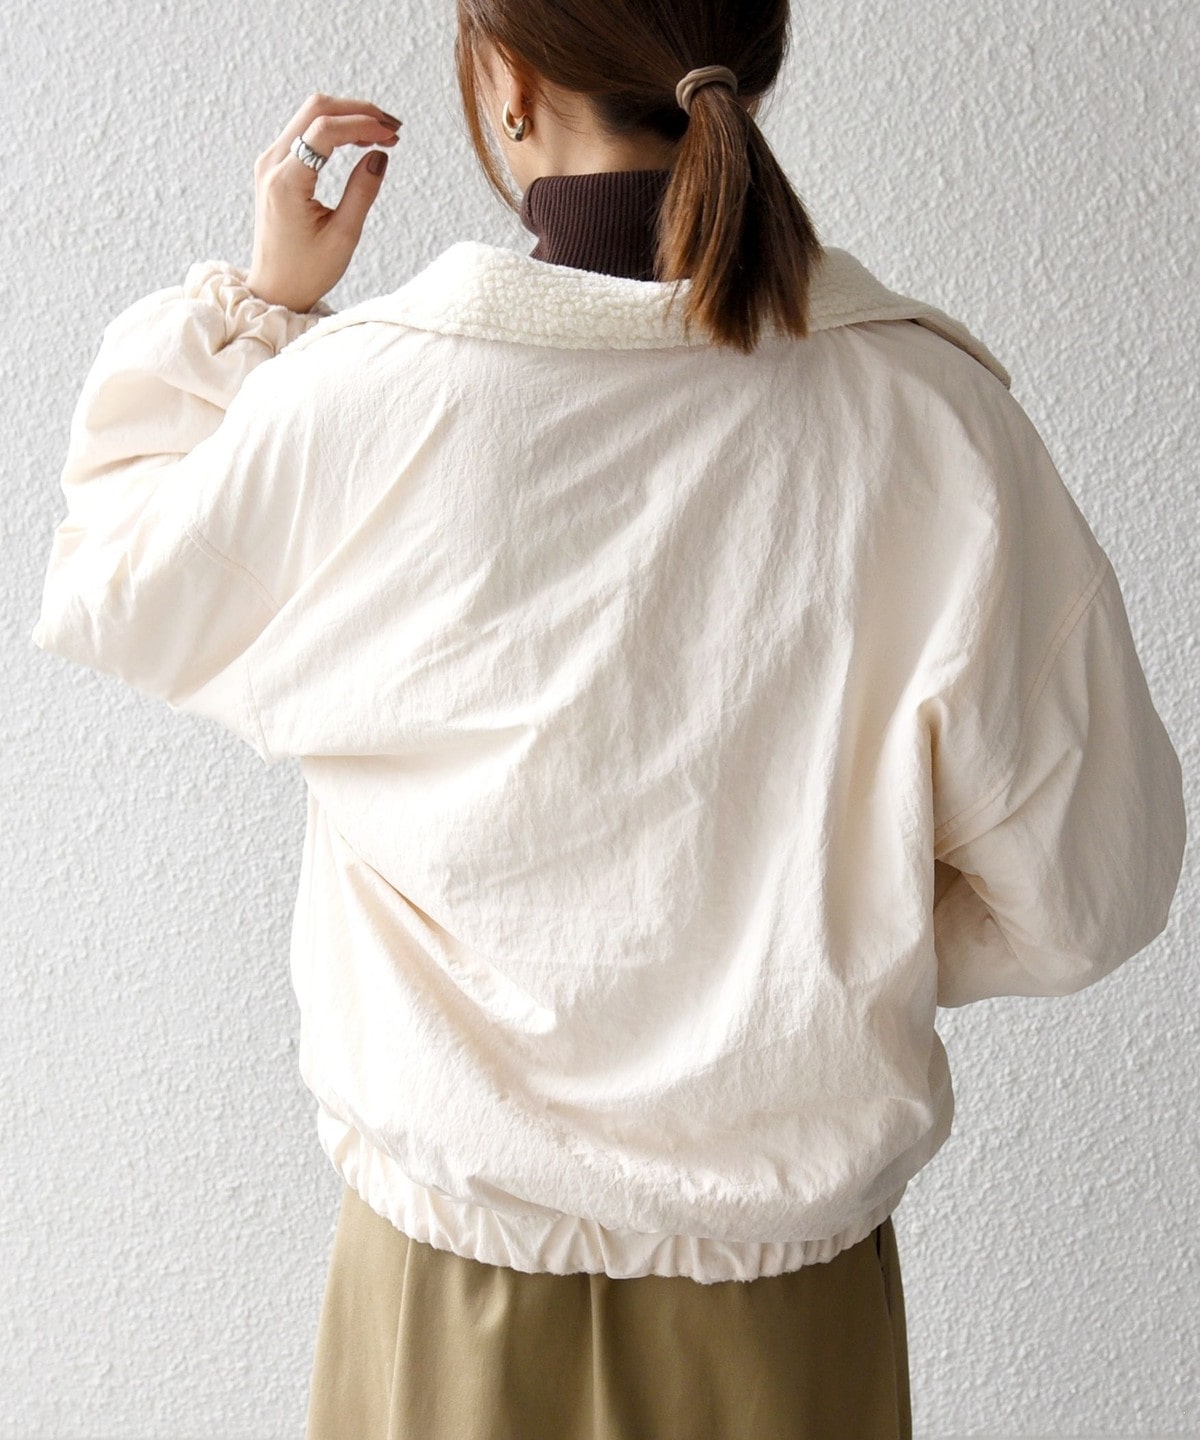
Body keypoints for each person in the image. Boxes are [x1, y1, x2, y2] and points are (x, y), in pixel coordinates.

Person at [30, 0, 1186, 1435]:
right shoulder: (937, 422)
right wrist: (828, 915)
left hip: (442, 1298)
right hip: (786, 1319)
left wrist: (265, 305)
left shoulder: (367, 401)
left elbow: (119, 581)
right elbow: (1092, 892)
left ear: (509, 82)